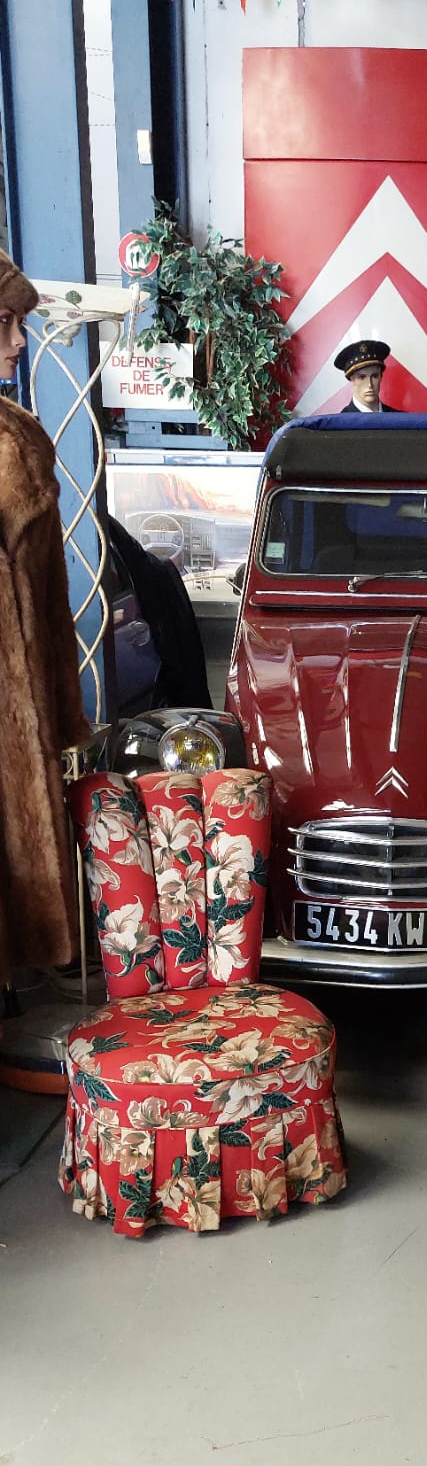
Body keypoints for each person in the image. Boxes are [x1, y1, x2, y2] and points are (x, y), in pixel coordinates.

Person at [0, 247, 91, 987]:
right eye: (4, 321)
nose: (19, 340)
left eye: (20, 322)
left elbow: (53, 604)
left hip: (21, 709)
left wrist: (61, 712)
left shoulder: (21, 436)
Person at [334, 338, 396, 413]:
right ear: (352, 379)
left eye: (375, 376)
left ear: (381, 377)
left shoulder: (399, 418)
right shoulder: (341, 420)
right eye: (362, 377)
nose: (370, 384)